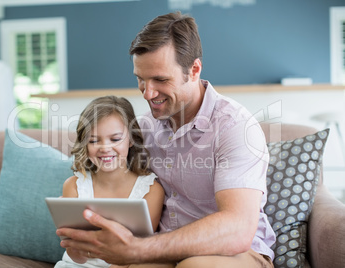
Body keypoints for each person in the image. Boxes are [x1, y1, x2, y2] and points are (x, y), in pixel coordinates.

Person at [57, 12, 276, 268]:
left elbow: (237, 229)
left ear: (193, 70)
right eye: (140, 79)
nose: (148, 94)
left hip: (233, 252)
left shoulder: (235, 127)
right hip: (164, 249)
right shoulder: (143, 128)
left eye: (160, 79)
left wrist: (138, 249)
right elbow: (107, 171)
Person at [54, 96, 165, 268]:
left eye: (115, 139)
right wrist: (75, 248)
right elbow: (76, 256)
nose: (105, 148)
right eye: (93, 140)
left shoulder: (151, 190)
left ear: (131, 139)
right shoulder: (74, 186)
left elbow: (138, 251)